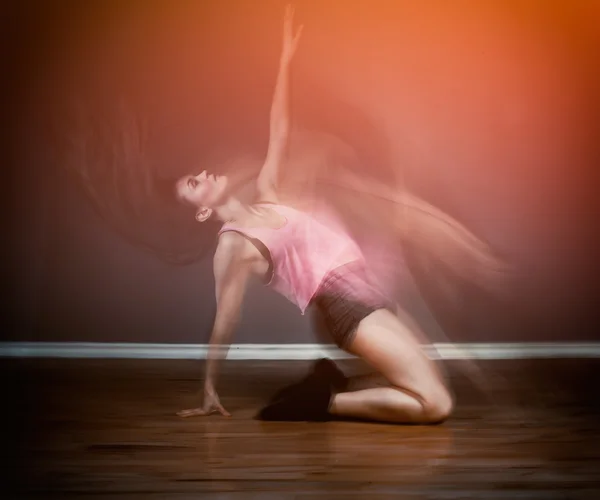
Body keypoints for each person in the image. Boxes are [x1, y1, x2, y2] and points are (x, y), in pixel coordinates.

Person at [173, 5, 459, 425]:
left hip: (367, 291)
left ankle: (325, 384)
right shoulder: (234, 243)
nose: (202, 174)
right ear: (201, 213)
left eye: (196, 173)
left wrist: (285, 63)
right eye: (194, 184)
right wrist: (209, 389)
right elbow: (225, 320)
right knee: (436, 405)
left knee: (431, 383)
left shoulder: (268, 194)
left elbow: (279, 128)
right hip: (346, 307)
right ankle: (320, 403)